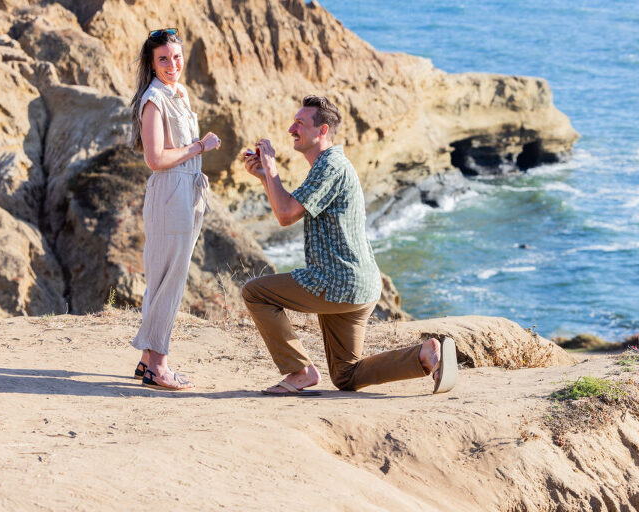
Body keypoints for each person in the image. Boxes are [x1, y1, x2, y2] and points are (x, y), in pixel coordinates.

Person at [241, 95, 457, 395]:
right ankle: (424, 355)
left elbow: (287, 213)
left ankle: (299, 371)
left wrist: (271, 167)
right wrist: (266, 177)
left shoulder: (330, 166)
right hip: (358, 285)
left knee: (254, 292)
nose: (292, 128)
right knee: (345, 376)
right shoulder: (329, 166)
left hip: (337, 282)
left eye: (300, 123)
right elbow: (284, 211)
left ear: (323, 131)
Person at [128, 28, 221, 390]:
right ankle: (159, 367)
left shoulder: (178, 92)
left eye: (177, 57)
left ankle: (146, 360)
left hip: (188, 190)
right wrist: (199, 147)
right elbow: (155, 159)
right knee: (169, 279)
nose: (172, 64)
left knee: (166, 275)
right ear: (151, 64)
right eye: (163, 59)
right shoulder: (154, 100)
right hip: (170, 191)